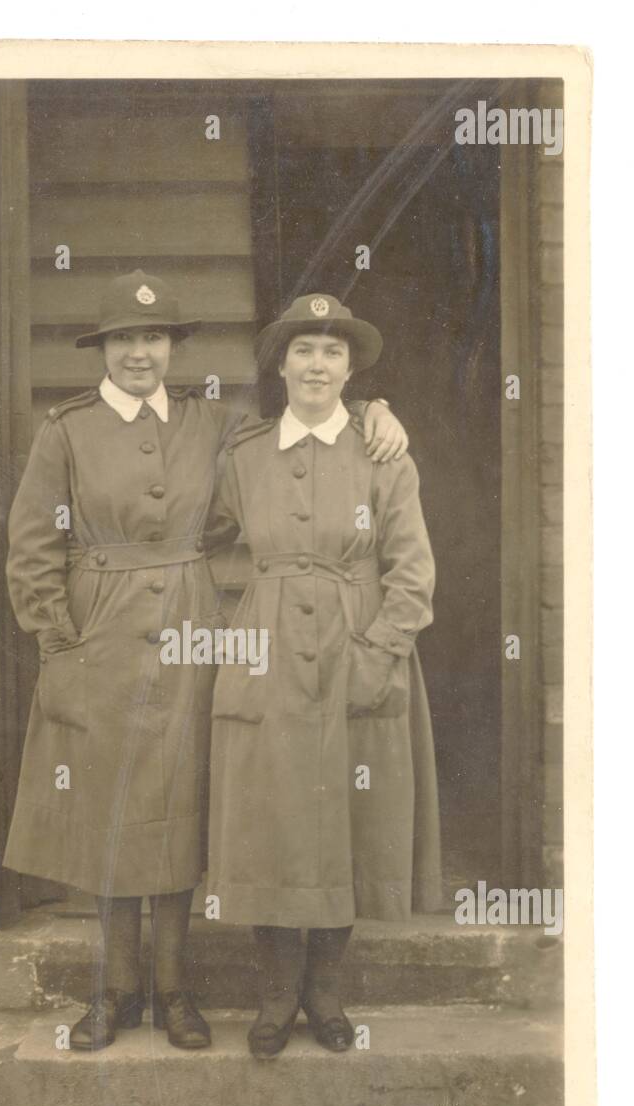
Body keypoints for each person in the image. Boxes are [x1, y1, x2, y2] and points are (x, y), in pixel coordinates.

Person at [3, 271, 411, 1052]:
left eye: (152, 339)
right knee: (108, 812)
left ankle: (175, 992)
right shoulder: (66, 429)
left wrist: (375, 410)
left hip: (191, 630)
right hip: (102, 631)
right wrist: (59, 640)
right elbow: (32, 547)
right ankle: (115, 991)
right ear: (104, 349)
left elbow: (304, 426)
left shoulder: (214, 425)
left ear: (172, 348)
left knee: (181, 805)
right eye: (123, 339)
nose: (138, 354)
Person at [204, 293, 442, 1059]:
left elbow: (412, 570)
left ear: (351, 369)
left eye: (332, 352)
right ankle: (275, 996)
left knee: (348, 817)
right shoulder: (242, 457)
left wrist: (379, 650)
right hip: (267, 653)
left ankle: (325, 991)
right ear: (280, 364)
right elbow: (186, 541)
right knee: (271, 819)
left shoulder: (383, 455)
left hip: (356, 644)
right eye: (302, 350)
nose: (316, 364)